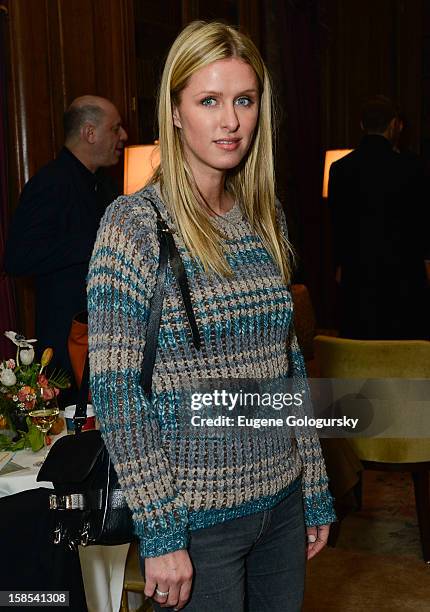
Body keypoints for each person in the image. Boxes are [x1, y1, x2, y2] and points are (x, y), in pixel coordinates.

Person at [88, 21, 335, 612]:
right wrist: (162, 533)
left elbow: (286, 364)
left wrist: (315, 485)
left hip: (280, 504)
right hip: (196, 524)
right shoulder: (134, 225)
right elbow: (117, 392)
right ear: (174, 112)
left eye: (244, 101)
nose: (231, 121)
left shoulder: (259, 215)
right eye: (209, 101)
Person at [4, 96, 127, 404]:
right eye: (115, 129)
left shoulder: (105, 185)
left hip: (107, 334)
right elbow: (17, 257)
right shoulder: (50, 183)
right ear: (90, 133)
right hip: (66, 343)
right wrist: (96, 242)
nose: (123, 136)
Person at [329, 95, 429, 339]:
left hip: (357, 274)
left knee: (359, 355)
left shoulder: (340, 168)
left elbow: (337, 223)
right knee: (403, 355)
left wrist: (340, 263)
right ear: (395, 124)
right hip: (404, 276)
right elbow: (423, 222)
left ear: (362, 125)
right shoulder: (412, 167)